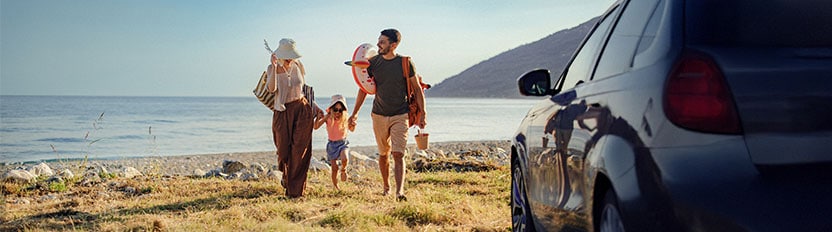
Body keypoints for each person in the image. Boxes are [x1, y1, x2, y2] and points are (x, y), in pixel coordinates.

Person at [348, 29, 427, 201]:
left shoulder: (405, 63)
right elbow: (364, 88)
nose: (378, 45)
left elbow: (417, 89)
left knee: (398, 153)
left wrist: (423, 114)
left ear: (394, 45)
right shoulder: (373, 62)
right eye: (378, 41)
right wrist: (354, 114)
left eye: (382, 42)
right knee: (384, 154)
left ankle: (399, 192)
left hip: (401, 114)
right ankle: (386, 186)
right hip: (379, 115)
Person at [266, 38, 323, 198]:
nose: (290, 59)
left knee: (300, 151)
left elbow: (303, 89)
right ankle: (285, 175)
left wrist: (315, 106)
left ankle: (295, 192)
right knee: (283, 151)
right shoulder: (272, 68)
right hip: (282, 112)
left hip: (302, 109)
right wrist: (275, 67)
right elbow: (271, 89)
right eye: (286, 55)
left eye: (291, 55)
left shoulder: (298, 66)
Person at [314, 94, 354, 190]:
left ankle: (344, 170)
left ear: (343, 111)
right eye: (335, 109)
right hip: (332, 144)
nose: (337, 112)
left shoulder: (344, 119)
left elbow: (351, 129)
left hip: (342, 143)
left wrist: (353, 124)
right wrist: (318, 118)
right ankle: (335, 186)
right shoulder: (328, 118)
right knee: (334, 168)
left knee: (345, 158)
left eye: (340, 110)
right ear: (331, 109)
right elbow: (315, 127)